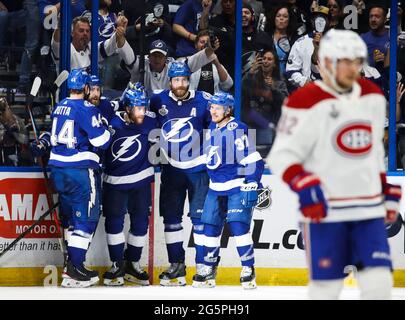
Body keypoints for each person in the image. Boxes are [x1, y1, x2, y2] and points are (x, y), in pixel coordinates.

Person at [267, 29, 402, 300]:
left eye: (355, 60)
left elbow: (372, 150)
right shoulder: (303, 100)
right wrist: (305, 186)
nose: (351, 67)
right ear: (325, 62)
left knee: (378, 286)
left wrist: (385, 189)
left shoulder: (372, 96)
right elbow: (281, 156)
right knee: (326, 289)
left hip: (367, 208)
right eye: (343, 61)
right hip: (325, 211)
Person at [192, 91, 264, 289]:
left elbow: (253, 159)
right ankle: (208, 268)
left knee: (238, 226)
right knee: (210, 228)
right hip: (215, 189)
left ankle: (248, 269)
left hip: (236, 187)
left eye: (218, 107)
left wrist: (252, 181)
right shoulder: (212, 129)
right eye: (212, 107)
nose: (213, 111)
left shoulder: (237, 129)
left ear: (228, 109)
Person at [149, 61, 211, 286]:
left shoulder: (204, 100)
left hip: (198, 168)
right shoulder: (158, 100)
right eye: (176, 80)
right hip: (172, 169)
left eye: (184, 79)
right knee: (171, 218)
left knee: (201, 219)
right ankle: (177, 265)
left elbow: (215, 128)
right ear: (170, 81)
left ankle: (204, 266)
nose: (181, 84)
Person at [48, 69, 112, 288]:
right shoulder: (87, 109)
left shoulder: (59, 106)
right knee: (86, 218)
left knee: (71, 219)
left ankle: (71, 266)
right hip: (80, 170)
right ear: (85, 88)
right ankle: (75, 268)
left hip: (57, 170)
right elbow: (102, 140)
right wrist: (108, 129)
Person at [102, 86, 157, 286]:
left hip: (141, 182)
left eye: (143, 108)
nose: (142, 112)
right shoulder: (112, 122)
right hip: (114, 184)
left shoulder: (151, 120)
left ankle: (133, 264)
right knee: (114, 224)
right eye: (137, 109)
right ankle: (117, 264)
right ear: (126, 108)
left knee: (141, 224)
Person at [125, 38, 219, 95]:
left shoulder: (174, 68)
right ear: (149, 57)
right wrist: (120, 37)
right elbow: (127, 56)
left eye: (160, 56)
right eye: (154, 55)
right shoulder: (141, 65)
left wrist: (210, 49)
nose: (157, 59)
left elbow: (194, 61)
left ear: (166, 58)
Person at [285, 5, 330, 88]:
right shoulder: (300, 43)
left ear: (328, 22)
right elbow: (291, 70)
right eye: (316, 18)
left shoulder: (337, 43)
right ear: (312, 20)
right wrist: (304, 82)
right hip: (308, 91)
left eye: (323, 18)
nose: (319, 22)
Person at [189, 30, 233, 94]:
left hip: (212, 102)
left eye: (208, 42)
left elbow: (228, 85)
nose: (206, 45)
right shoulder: (189, 61)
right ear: (196, 45)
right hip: (193, 102)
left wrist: (217, 63)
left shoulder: (216, 64)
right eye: (202, 42)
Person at [0, 97, 30, 166]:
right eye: (2, 109)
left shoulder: (16, 120)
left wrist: (16, 134)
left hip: (14, 150)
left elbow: (24, 140)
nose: (5, 111)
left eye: (6, 108)